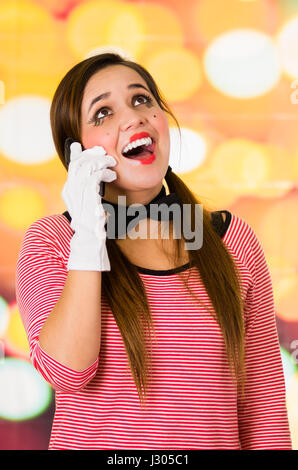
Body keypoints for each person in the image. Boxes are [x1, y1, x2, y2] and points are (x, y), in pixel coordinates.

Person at [15, 52, 292, 450]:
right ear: (77, 152)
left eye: (141, 100)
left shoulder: (229, 241)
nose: (133, 118)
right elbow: (68, 370)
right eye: (103, 113)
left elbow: (262, 403)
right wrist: (89, 236)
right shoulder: (53, 241)